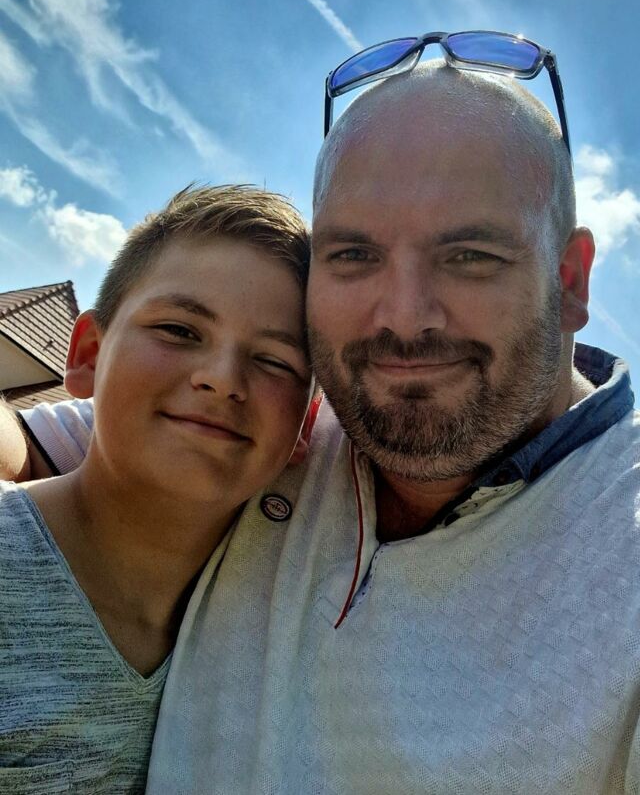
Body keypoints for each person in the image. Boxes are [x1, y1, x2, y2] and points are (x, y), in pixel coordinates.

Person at [2, 52, 640, 794]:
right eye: (354, 254)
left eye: (470, 254)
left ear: (569, 281)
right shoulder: (287, 426)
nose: (404, 318)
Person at [0, 184, 314, 793]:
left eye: (276, 361)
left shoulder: (275, 625)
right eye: (178, 329)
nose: (222, 379)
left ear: (305, 425)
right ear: (88, 356)